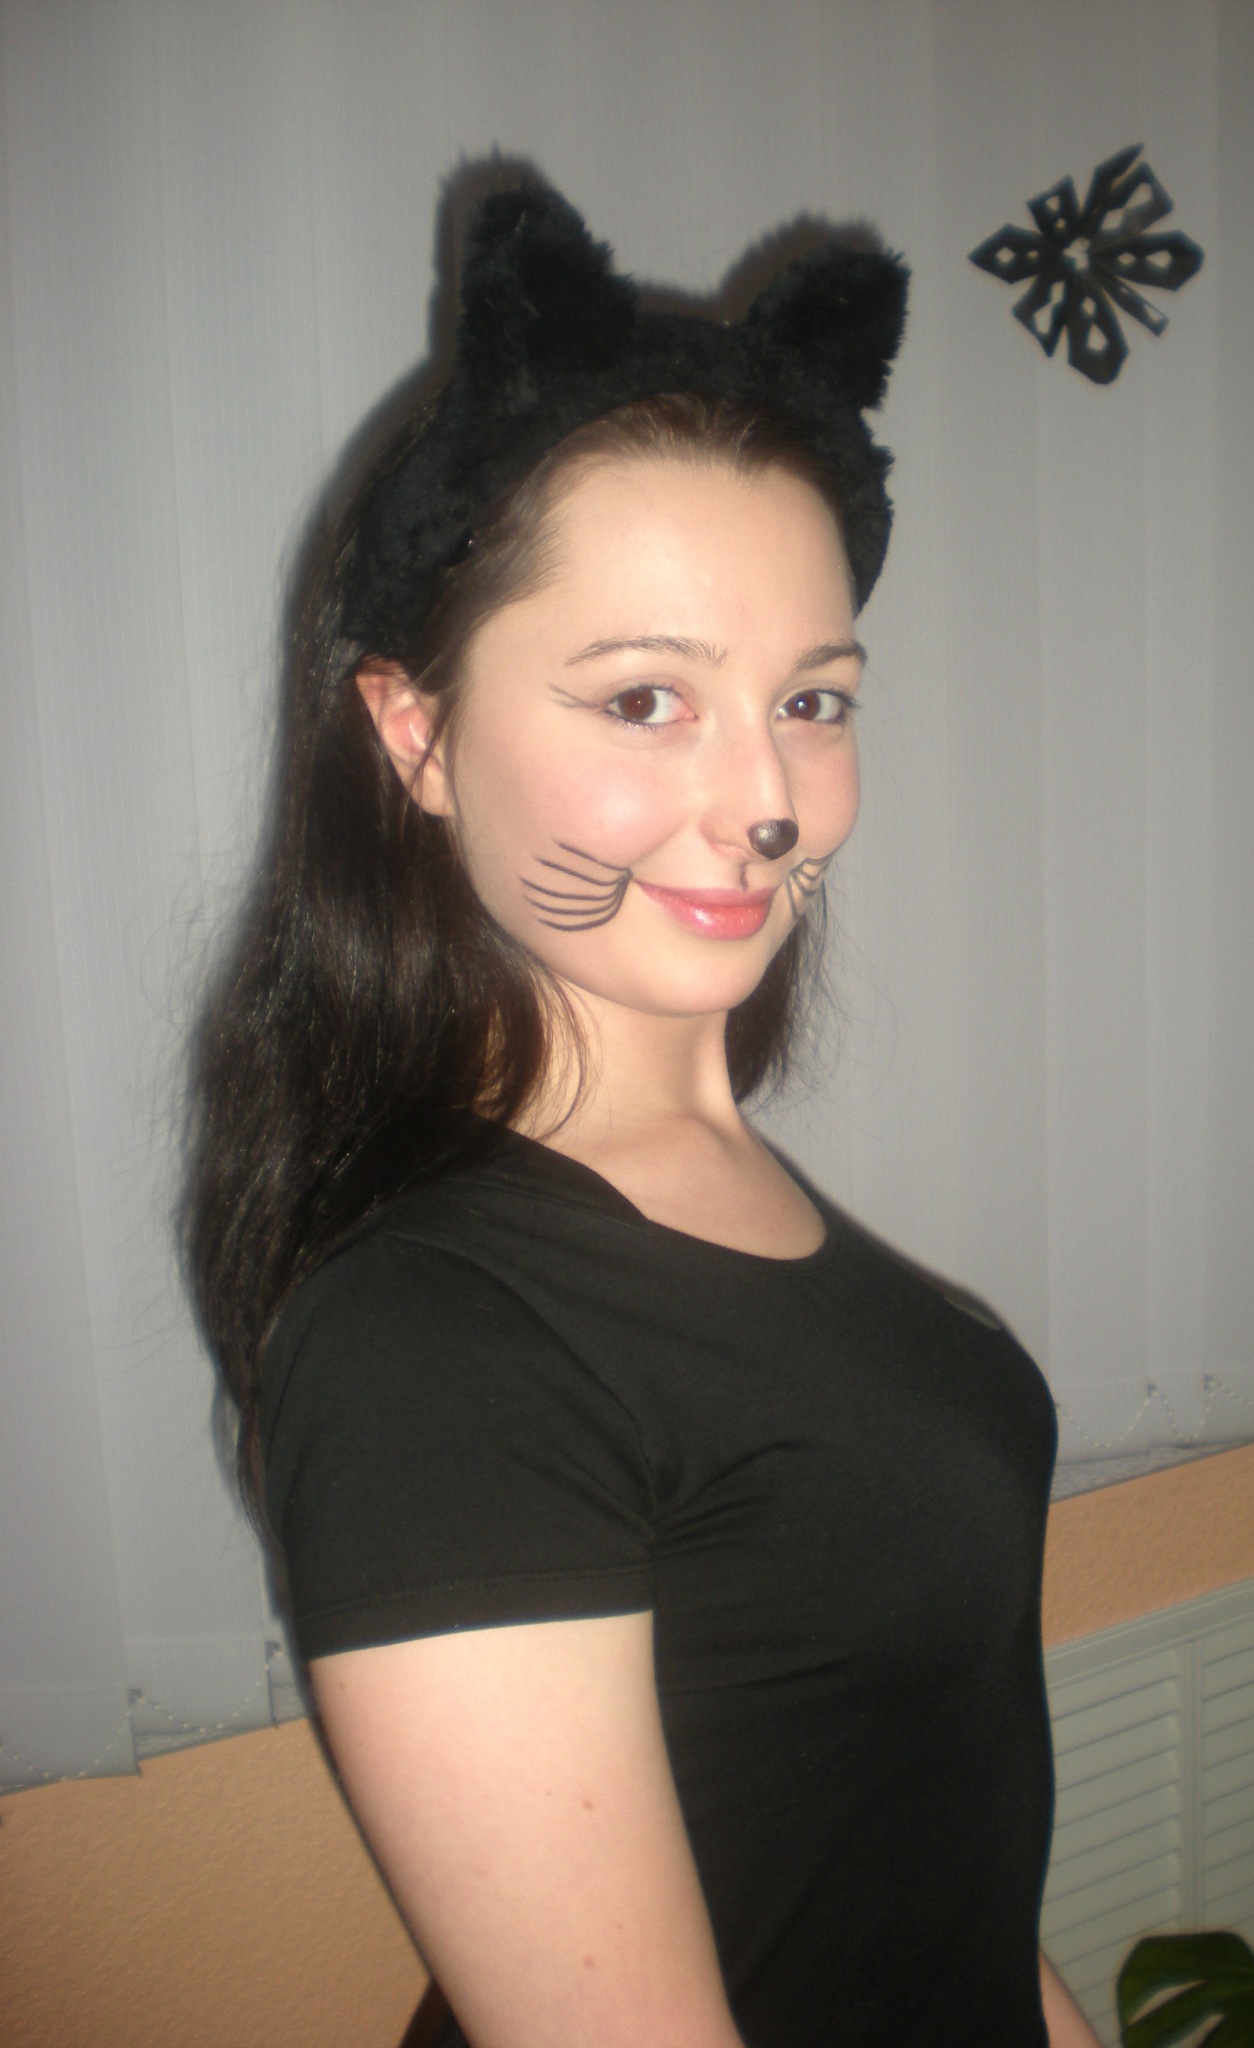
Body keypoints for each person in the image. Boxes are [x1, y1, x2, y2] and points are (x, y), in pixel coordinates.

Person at [187, 182, 1098, 2048]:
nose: (765, 800)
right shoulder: (438, 1339)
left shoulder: (714, 1178)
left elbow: (925, 1854)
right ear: (417, 736)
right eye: (644, 700)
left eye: (812, 700)